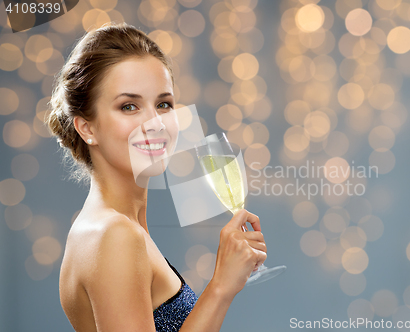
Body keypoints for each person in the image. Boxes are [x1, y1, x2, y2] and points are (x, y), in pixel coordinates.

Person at [47, 22, 267, 332]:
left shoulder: (111, 227)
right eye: (129, 106)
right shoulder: (115, 236)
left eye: (163, 104)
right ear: (87, 128)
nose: (155, 123)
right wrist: (220, 287)